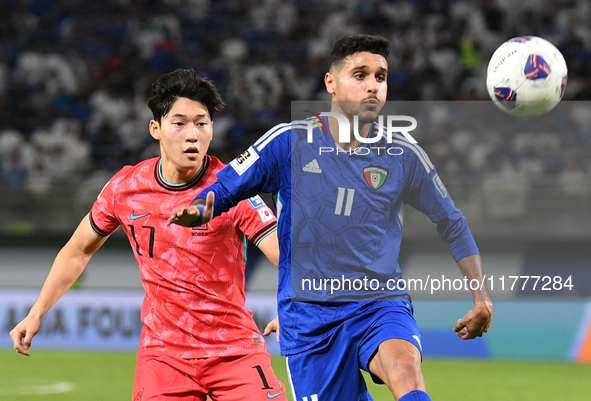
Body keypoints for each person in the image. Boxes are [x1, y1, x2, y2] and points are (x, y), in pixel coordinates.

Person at [168, 35, 493, 401]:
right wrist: (199, 207)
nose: (373, 85)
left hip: (379, 302)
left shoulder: (403, 155)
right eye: (360, 74)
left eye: (381, 77)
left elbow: (452, 222)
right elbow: (225, 186)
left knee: (406, 373)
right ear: (331, 82)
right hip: (309, 320)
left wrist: (482, 297)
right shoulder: (288, 142)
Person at [10, 69, 288, 401]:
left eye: (202, 123)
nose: (192, 135)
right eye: (179, 123)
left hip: (235, 350)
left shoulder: (233, 187)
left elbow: (286, 256)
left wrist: (295, 310)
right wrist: (37, 311)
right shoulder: (125, 189)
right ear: (155, 128)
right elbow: (77, 250)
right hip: (164, 356)